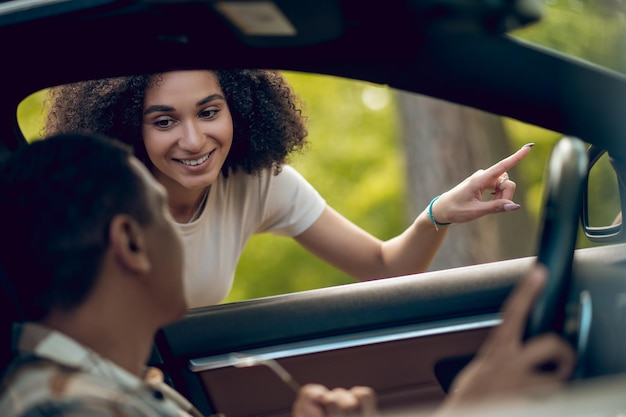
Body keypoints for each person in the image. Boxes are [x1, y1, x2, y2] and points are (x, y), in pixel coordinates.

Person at [0, 133, 574, 417]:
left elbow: (383, 262)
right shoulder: (66, 407)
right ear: (130, 241)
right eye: (157, 207)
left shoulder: (122, 384)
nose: (193, 140)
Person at [44, 70, 532, 308]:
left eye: (209, 112)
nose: (193, 140)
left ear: (239, 107)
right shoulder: (97, 206)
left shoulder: (255, 184)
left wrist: (440, 212)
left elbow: (386, 266)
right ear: (127, 128)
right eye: (165, 121)